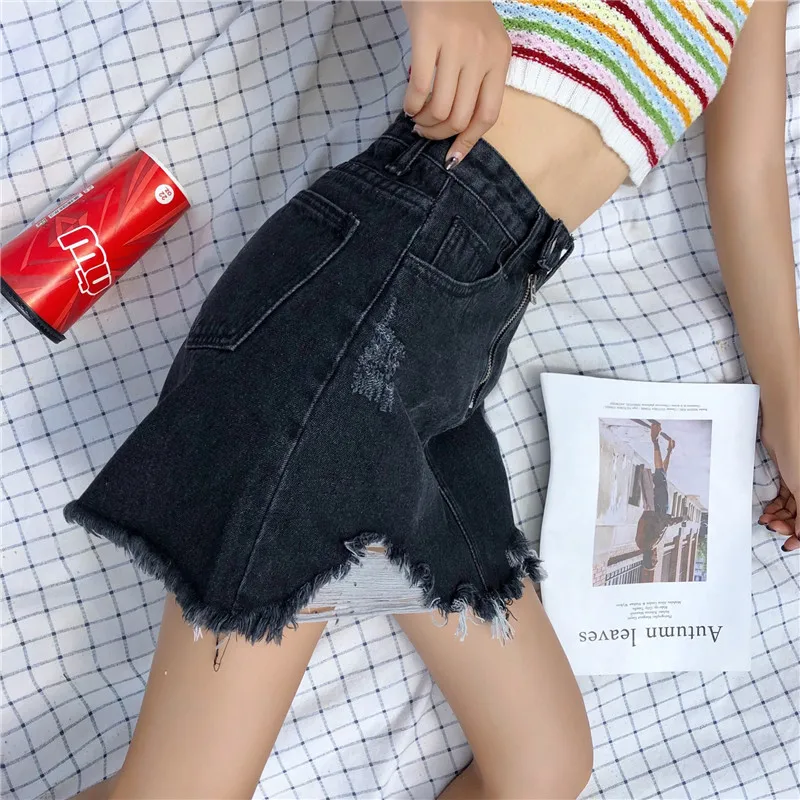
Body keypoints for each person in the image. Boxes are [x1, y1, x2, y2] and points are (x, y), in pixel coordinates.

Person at [65, 1, 798, 798]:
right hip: (373, 291)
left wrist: (791, 419)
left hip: (458, 350)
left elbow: (750, 178)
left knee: (542, 770)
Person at [634, 422, 687, 578]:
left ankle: (654, 439)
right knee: (662, 476)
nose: (657, 558)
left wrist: (681, 519)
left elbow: (663, 523)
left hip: (658, 508)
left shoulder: (649, 544)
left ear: (649, 558)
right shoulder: (642, 544)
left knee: (660, 476)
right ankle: (669, 450)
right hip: (653, 508)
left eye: (654, 560)